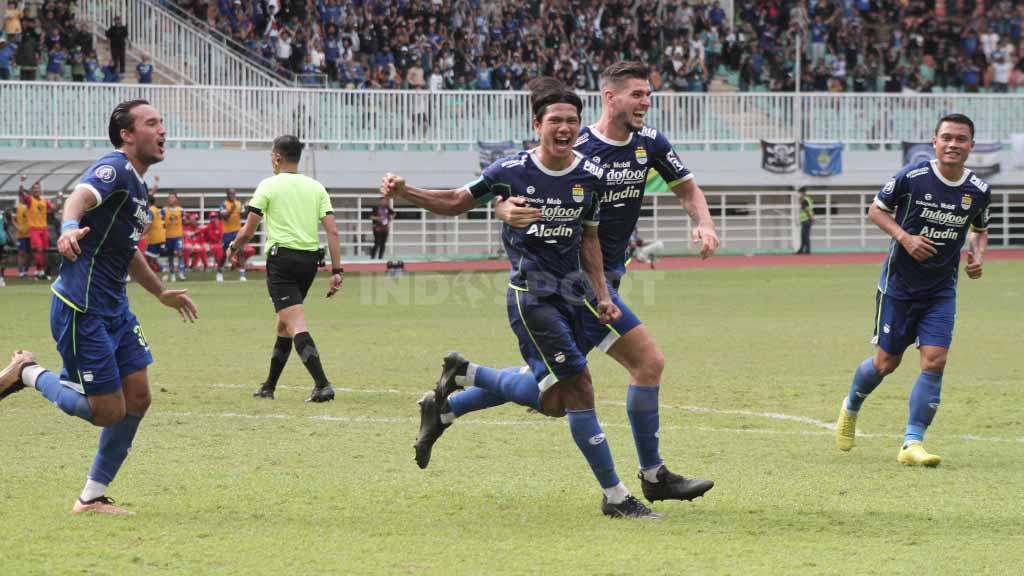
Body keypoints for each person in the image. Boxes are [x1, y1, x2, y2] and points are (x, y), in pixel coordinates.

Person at [412, 62, 719, 508]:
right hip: (569, 287)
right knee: (611, 374)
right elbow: (513, 188)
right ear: (609, 97)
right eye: (637, 94)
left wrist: (704, 224)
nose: (645, 103)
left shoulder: (650, 143)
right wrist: (503, 212)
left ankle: (452, 399)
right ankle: (648, 478)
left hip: (600, 282)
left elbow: (688, 189)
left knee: (557, 389)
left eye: (648, 95)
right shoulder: (574, 143)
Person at [0, 99, 198, 515]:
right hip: (81, 307)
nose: (162, 130)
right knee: (107, 411)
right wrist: (69, 226)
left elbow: (127, 251)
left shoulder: (139, 189)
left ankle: (90, 497)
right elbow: (79, 196)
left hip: (116, 309)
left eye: (162, 122)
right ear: (127, 135)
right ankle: (28, 372)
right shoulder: (116, 168)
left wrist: (161, 292)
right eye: (151, 123)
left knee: (139, 397)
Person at [835, 113, 990, 467]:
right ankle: (851, 406)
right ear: (935, 142)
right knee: (885, 363)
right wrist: (904, 238)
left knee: (935, 360)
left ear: (971, 146)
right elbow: (876, 211)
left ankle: (911, 443)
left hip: (941, 290)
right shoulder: (912, 177)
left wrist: (976, 256)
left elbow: (979, 229)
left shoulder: (978, 191)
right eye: (947, 137)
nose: (953, 144)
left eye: (961, 139)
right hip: (898, 287)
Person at [227, 135, 343, 404]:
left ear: (278, 157)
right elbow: (333, 231)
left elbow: (248, 230)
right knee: (283, 323)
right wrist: (338, 270)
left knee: (295, 323)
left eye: (271, 155)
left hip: (282, 262)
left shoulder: (268, 185)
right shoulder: (316, 188)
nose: (271, 159)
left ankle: (322, 384)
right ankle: (269, 386)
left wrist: (233, 248)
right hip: (309, 264)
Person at [26, 178, 54, 279]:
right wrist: (21, 183)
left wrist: (59, 202)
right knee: (38, 250)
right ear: (32, 191)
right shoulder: (30, 200)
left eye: (38, 188)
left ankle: (41, 271)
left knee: (45, 251)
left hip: (44, 229)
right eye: (34, 188)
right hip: (34, 229)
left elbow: (53, 209)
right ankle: (39, 270)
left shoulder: (44, 201)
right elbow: (22, 195)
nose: (37, 190)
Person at [216, 188, 245, 282]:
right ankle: (219, 272)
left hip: (237, 231)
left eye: (234, 194)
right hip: (227, 232)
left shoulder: (239, 203)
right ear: (227, 195)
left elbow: (244, 214)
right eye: (230, 194)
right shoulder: (223, 204)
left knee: (241, 251)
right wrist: (231, 210)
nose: (232, 195)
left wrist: (248, 208)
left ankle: (242, 274)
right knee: (226, 253)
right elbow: (225, 217)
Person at [162, 191, 185, 281]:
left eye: (172, 197)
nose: (170, 199)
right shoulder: (164, 210)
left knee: (179, 253)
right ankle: (172, 274)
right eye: (169, 197)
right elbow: (162, 223)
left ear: (176, 199)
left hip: (178, 235)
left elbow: (184, 221)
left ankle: (181, 272)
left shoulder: (181, 210)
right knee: (170, 255)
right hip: (168, 236)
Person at [143, 194, 165, 275]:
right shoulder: (155, 209)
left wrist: (140, 235)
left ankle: (156, 273)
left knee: (149, 258)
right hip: (159, 237)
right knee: (152, 257)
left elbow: (148, 224)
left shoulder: (150, 210)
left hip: (154, 238)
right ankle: (161, 270)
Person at [14, 178, 31, 277]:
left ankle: (25, 271)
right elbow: (13, 220)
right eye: (21, 195)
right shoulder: (17, 207)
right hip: (21, 235)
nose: (22, 197)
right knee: (21, 253)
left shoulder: (30, 205)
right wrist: (17, 227)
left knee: (29, 254)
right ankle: (21, 271)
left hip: (30, 234)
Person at [797, 188, 815, 254]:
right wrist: (812, 217)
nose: (799, 195)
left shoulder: (804, 200)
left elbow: (807, 209)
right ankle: (802, 249)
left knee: (805, 236)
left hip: (806, 219)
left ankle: (807, 250)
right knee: (804, 235)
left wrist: (811, 217)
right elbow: (811, 209)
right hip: (807, 219)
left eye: (799, 193)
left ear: (802, 193)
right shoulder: (809, 199)